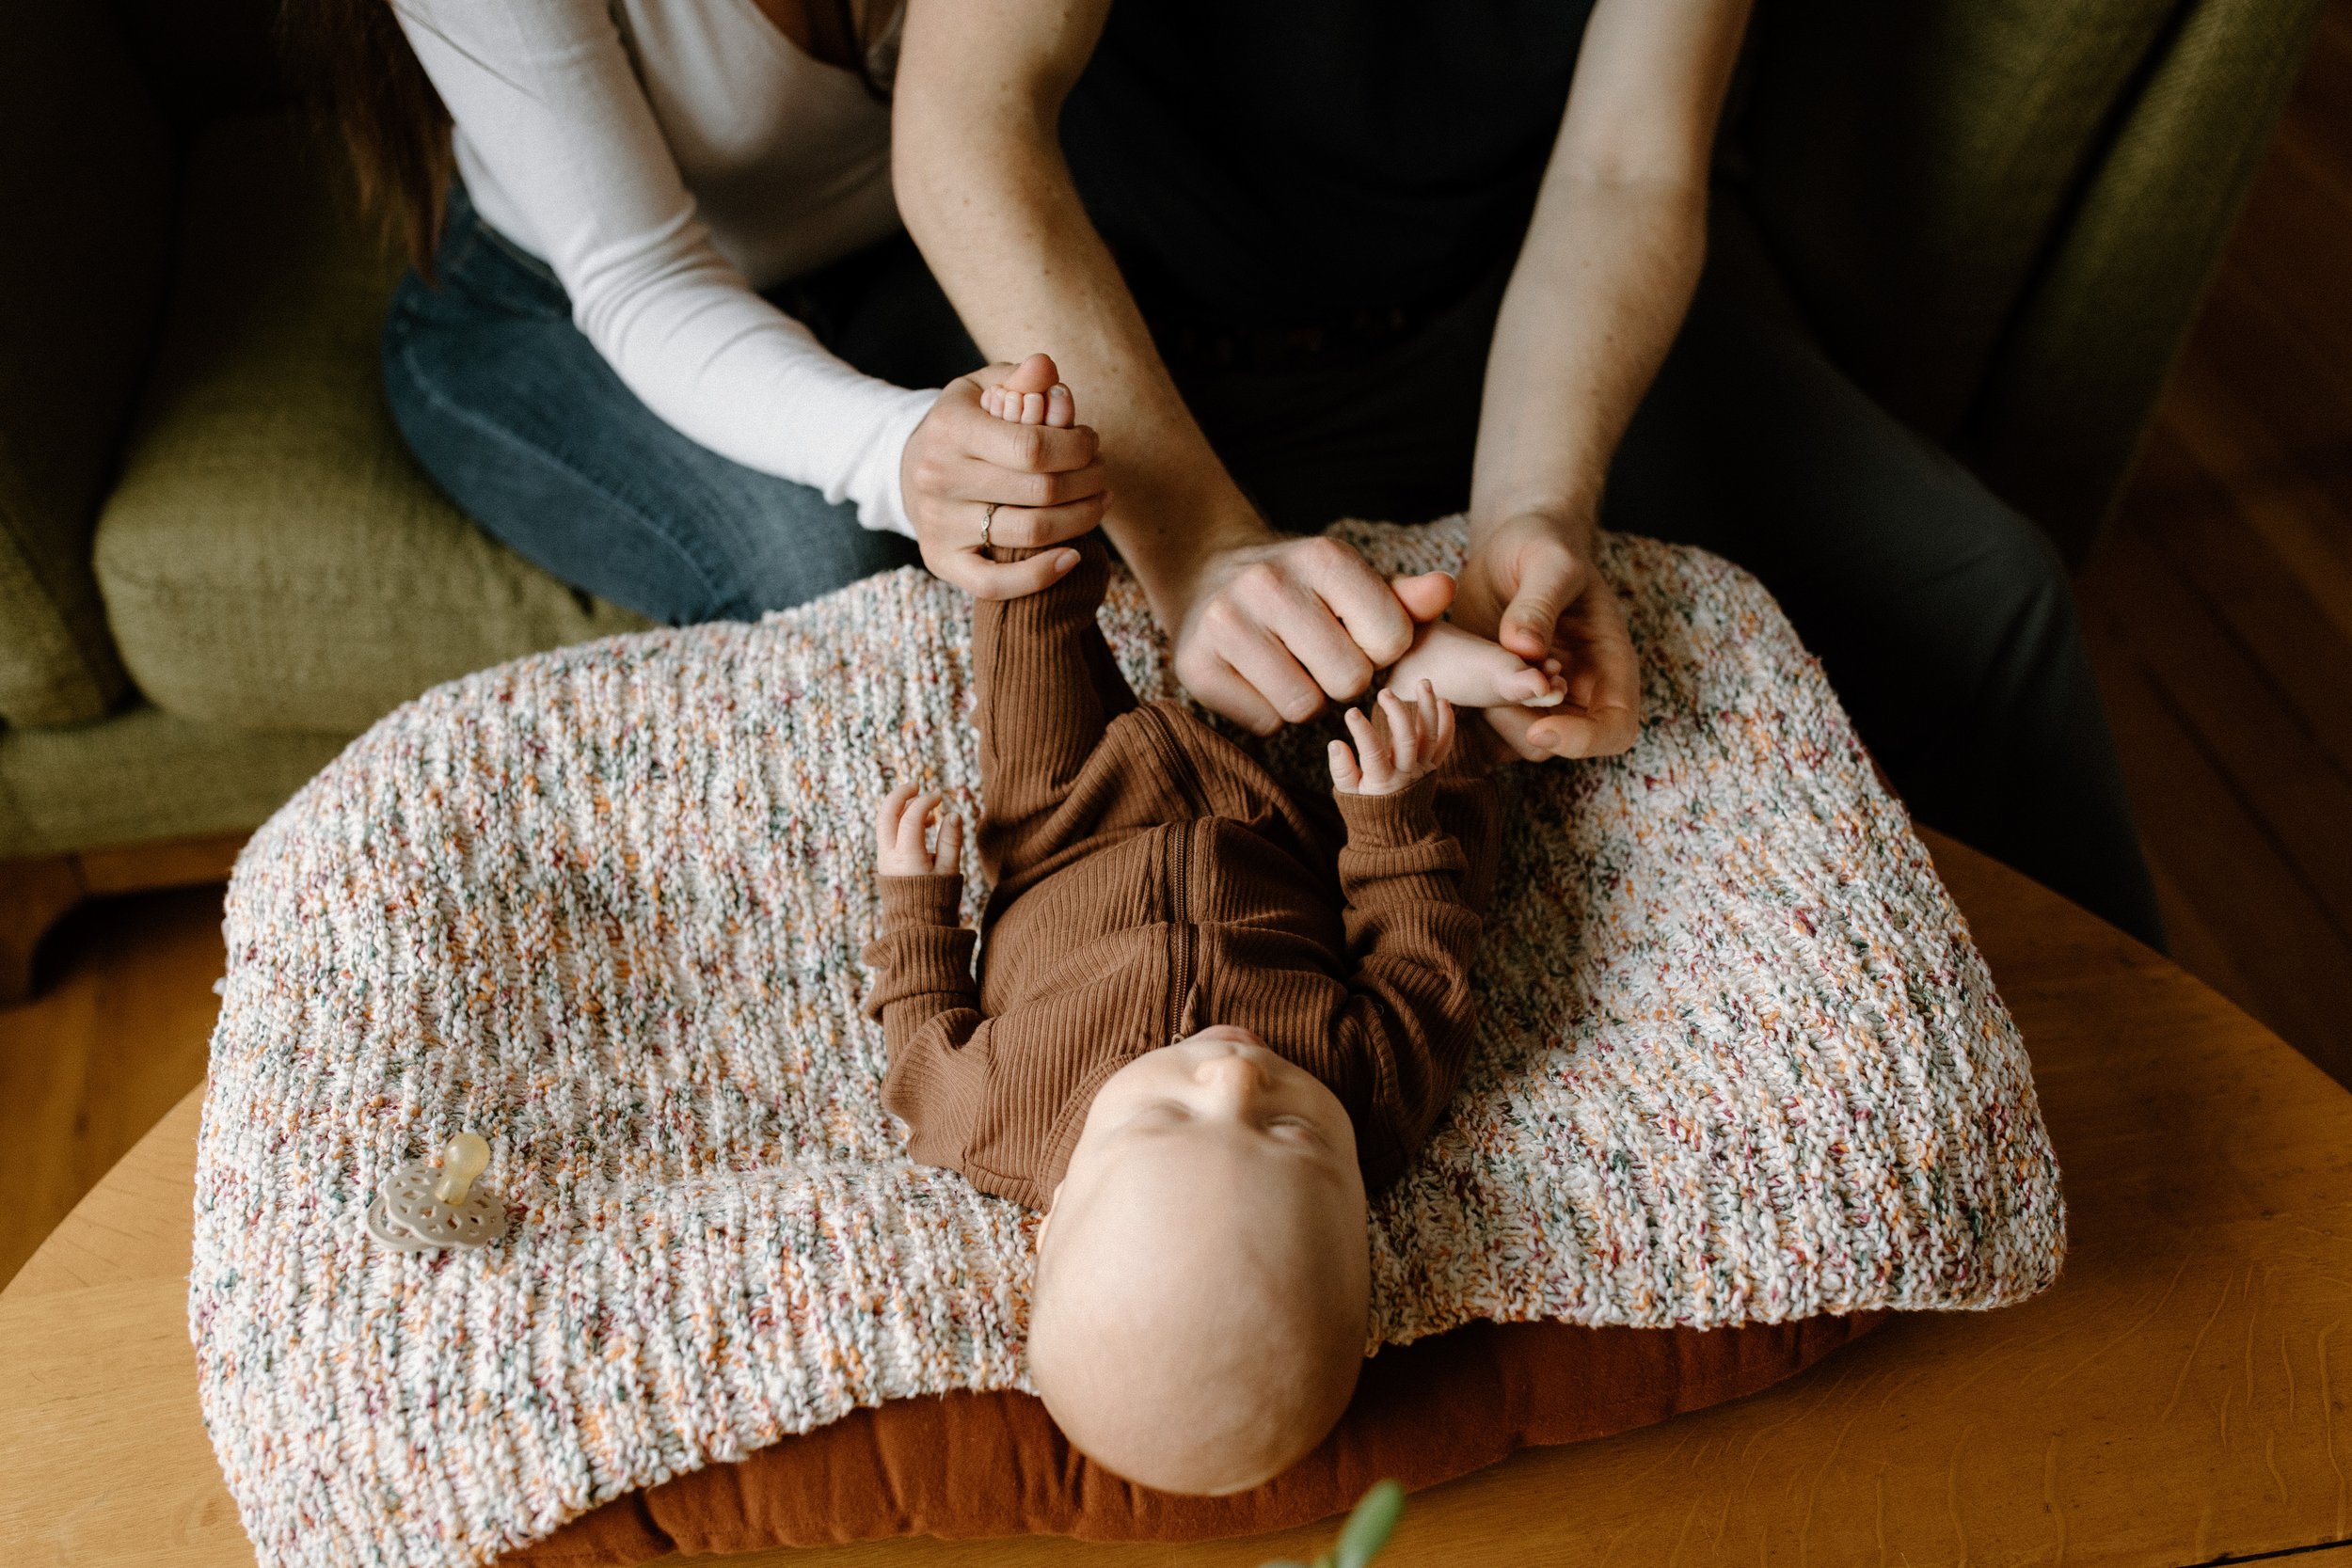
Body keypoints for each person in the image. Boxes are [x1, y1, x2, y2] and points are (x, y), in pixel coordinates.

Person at [887, 0, 2167, 947]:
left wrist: (1537, 508)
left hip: (1524, 316)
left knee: (1983, 590)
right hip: (1149, 363)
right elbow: (967, 120)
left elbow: (1628, 165)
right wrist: (1200, 545)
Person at [864, 373, 1517, 1494]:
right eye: (1289, 1137)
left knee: (1022, 635)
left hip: (1061, 826)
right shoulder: (1377, 1096)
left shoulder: (985, 1116)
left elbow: (921, 1034)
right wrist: (1387, 819)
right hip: (1274, 814)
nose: (1228, 1078)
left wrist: (913, 903)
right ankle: (1435, 667)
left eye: (1166, 1116)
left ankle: (1032, 494)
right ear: (1362, 1213)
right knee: (1435, 775)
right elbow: (1418, 947)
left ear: (1055, 1209)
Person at [301, 0, 1109, 625]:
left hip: (884, 255)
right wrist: (895, 451)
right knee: (828, 572)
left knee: (1081, 452)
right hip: (552, 302)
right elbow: (643, 278)